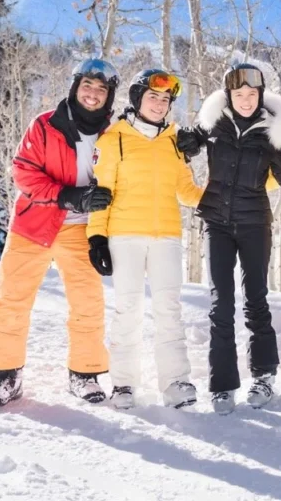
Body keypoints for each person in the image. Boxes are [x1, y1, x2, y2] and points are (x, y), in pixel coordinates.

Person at [0, 59, 119, 410]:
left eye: (101, 89)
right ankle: (5, 375)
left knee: (88, 304)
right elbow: (24, 174)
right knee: (13, 300)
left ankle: (84, 374)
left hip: (82, 231)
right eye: (87, 85)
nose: (93, 93)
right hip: (34, 225)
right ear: (75, 87)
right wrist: (69, 195)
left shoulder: (115, 134)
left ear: (109, 96)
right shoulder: (44, 125)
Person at [175, 63, 281, 415]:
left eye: (252, 94)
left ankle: (263, 376)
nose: (245, 100)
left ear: (261, 96)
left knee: (256, 300)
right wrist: (185, 142)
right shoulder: (214, 123)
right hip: (216, 222)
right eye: (239, 94)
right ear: (229, 96)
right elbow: (182, 146)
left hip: (255, 222)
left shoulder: (271, 129)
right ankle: (223, 385)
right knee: (220, 305)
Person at [87, 68, 206, 410]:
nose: (159, 104)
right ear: (138, 99)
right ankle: (124, 384)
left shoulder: (175, 141)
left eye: (165, 99)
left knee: (170, 310)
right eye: (152, 97)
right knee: (128, 310)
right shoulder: (113, 139)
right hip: (124, 236)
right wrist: (96, 236)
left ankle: (175, 382)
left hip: (166, 236)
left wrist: (225, 194)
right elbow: (102, 192)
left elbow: (186, 191)